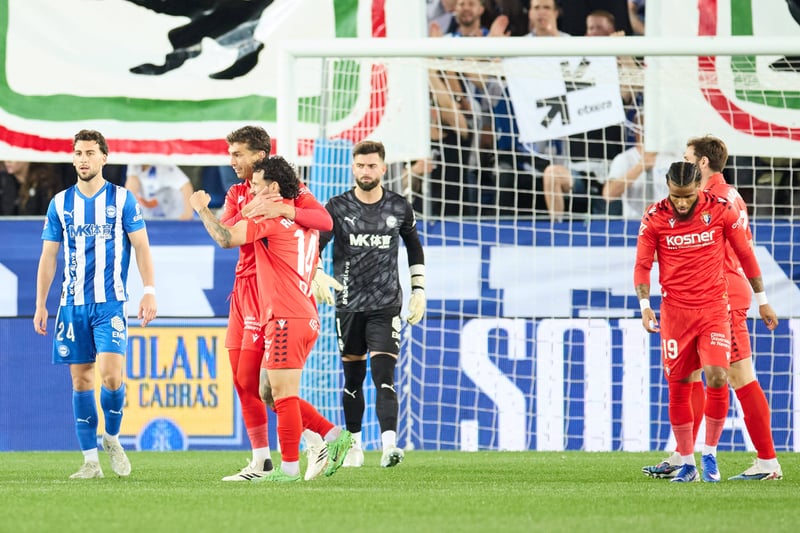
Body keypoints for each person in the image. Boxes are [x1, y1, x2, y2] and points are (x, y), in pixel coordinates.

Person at [190, 156, 354, 482]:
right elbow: (322, 222)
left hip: (285, 316)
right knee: (269, 390)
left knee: (282, 394)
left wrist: (202, 210)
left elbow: (226, 238)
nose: (251, 191)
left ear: (273, 187)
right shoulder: (301, 217)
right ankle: (332, 436)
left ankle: (290, 468)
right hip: (301, 314)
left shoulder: (271, 219)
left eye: (256, 185)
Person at [642, 136, 783, 481]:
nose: (684, 163)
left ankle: (767, 461)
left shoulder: (712, 199)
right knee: (690, 374)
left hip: (721, 294)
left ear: (702, 163)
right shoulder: (731, 193)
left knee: (738, 376)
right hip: (716, 293)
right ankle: (683, 455)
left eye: (687, 157)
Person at [33, 129, 158, 479]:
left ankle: (112, 437)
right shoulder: (60, 204)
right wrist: (41, 303)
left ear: (104, 157)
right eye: (78, 153)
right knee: (81, 381)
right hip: (72, 305)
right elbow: (48, 256)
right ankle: (90, 461)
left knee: (112, 377)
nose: (83, 159)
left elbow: (142, 246)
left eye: (90, 153)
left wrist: (149, 289)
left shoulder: (122, 199)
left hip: (110, 303)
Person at [215, 125, 330, 482]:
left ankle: (317, 438)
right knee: (245, 382)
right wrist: (247, 210)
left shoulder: (288, 193)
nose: (232, 161)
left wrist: (284, 210)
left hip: (269, 291)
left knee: (270, 387)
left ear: (260, 156)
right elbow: (227, 228)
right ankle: (263, 459)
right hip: (243, 288)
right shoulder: (238, 192)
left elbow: (323, 220)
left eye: (238, 154)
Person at [313, 140, 426, 468]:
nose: (366, 171)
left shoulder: (399, 207)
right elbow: (315, 245)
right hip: (348, 306)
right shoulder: (336, 207)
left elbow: (414, 248)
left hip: (385, 305)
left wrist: (419, 289)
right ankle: (355, 446)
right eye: (361, 165)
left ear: (383, 168)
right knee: (353, 380)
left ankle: (389, 445)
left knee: (384, 376)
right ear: (353, 167)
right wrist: (316, 272)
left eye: (372, 165)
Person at [125, 164, 195, 220]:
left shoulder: (164, 167)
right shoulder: (134, 162)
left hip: (173, 211)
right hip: (150, 211)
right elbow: (132, 184)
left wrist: (188, 214)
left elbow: (186, 186)